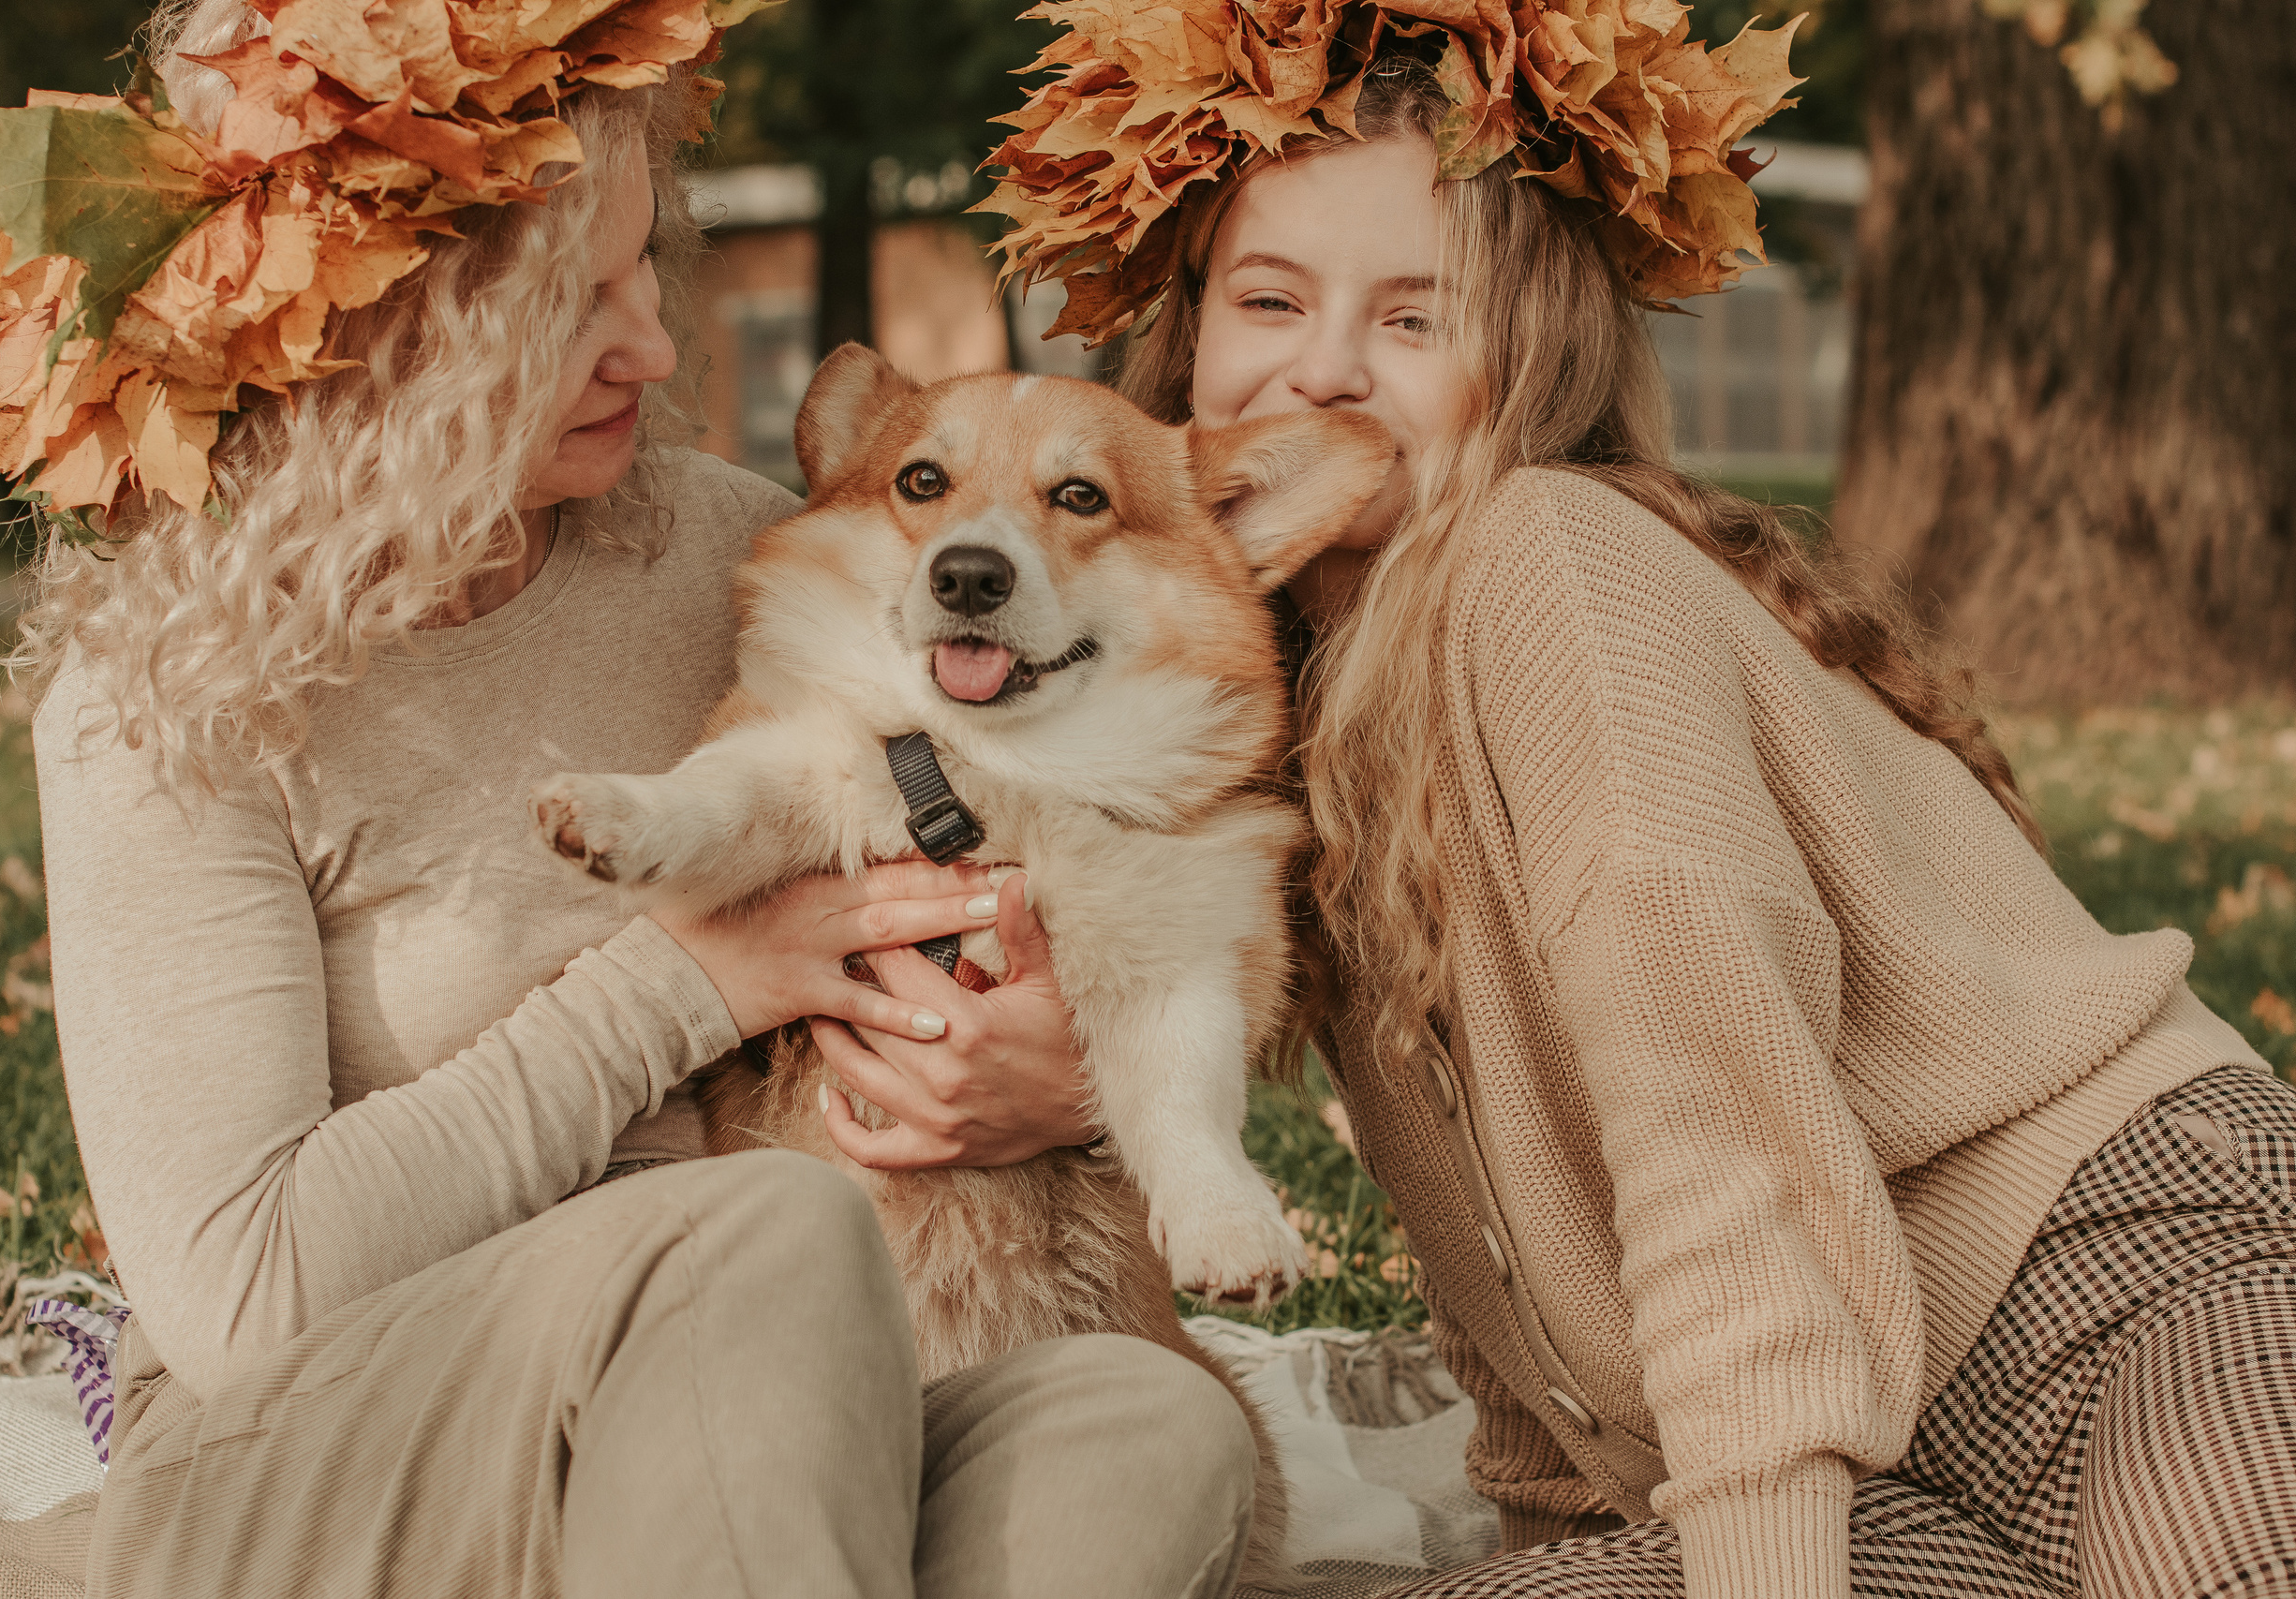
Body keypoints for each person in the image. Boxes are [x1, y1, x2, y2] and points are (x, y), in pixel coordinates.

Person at [0, 1, 1262, 1594]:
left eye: (644, 268)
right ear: (382, 320)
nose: (658, 346)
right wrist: (691, 980)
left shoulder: (733, 555)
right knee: (771, 1238)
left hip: (761, 1407)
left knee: (1147, 1423)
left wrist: (1058, 1078)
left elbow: (1068, 867)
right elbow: (242, 1296)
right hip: (327, 1457)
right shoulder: (171, 692)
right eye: (570, 301)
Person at [957, 5, 2296, 1596]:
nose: (1319, 366)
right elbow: (1503, 1260)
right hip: (1849, 1464)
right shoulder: (1273, 711)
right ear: (1186, 340)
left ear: (1527, 359)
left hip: (2106, 1286)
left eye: (1411, 318)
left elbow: (1710, 1132)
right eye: (1269, 299)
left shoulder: (1550, 567)